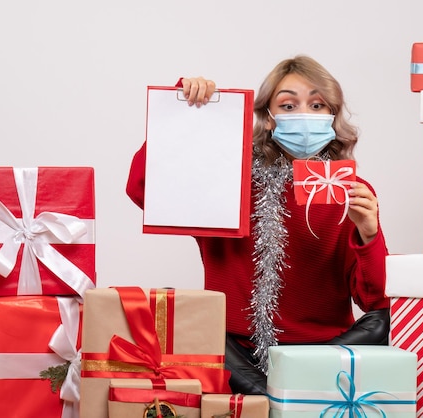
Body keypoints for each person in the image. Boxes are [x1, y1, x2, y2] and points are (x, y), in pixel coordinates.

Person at [126, 55, 390, 395]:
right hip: (234, 354)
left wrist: (369, 234)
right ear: (268, 118)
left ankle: (281, 395)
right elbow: (145, 188)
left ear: (332, 118)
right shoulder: (229, 181)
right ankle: (274, 398)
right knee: (191, 323)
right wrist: (184, 109)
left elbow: (375, 302)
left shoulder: (352, 192)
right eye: (289, 105)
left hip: (320, 355)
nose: (305, 115)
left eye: (317, 104)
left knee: (389, 319)